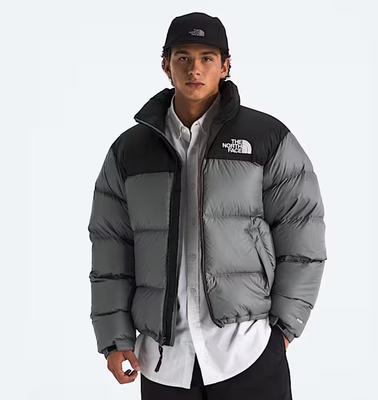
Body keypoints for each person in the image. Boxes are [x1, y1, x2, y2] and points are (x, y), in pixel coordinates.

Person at [88, 11, 327, 400]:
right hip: (164, 362)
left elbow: (302, 234)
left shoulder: (267, 138)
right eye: (182, 57)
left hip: (247, 352)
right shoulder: (129, 151)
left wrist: (284, 328)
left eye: (206, 58)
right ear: (166, 65)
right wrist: (115, 339)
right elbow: (111, 250)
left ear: (225, 66)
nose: (194, 69)